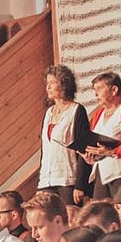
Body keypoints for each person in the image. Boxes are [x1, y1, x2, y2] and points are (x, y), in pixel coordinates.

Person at [38, 65, 90, 207]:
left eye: (52, 83)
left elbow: (84, 149)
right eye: (47, 83)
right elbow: (45, 151)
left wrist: (80, 185)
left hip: (68, 180)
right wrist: (40, 183)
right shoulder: (48, 113)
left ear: (64, 84)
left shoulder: (76, 110)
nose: (48, 87)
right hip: (47, 181)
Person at [85, 72, 121, 201]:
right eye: (94, 90)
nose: (96, 94)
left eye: (99, 89)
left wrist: (112, 151)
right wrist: (90, 155)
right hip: (101, 173)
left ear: (114, 90)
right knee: (100, 211)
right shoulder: (98, 114)